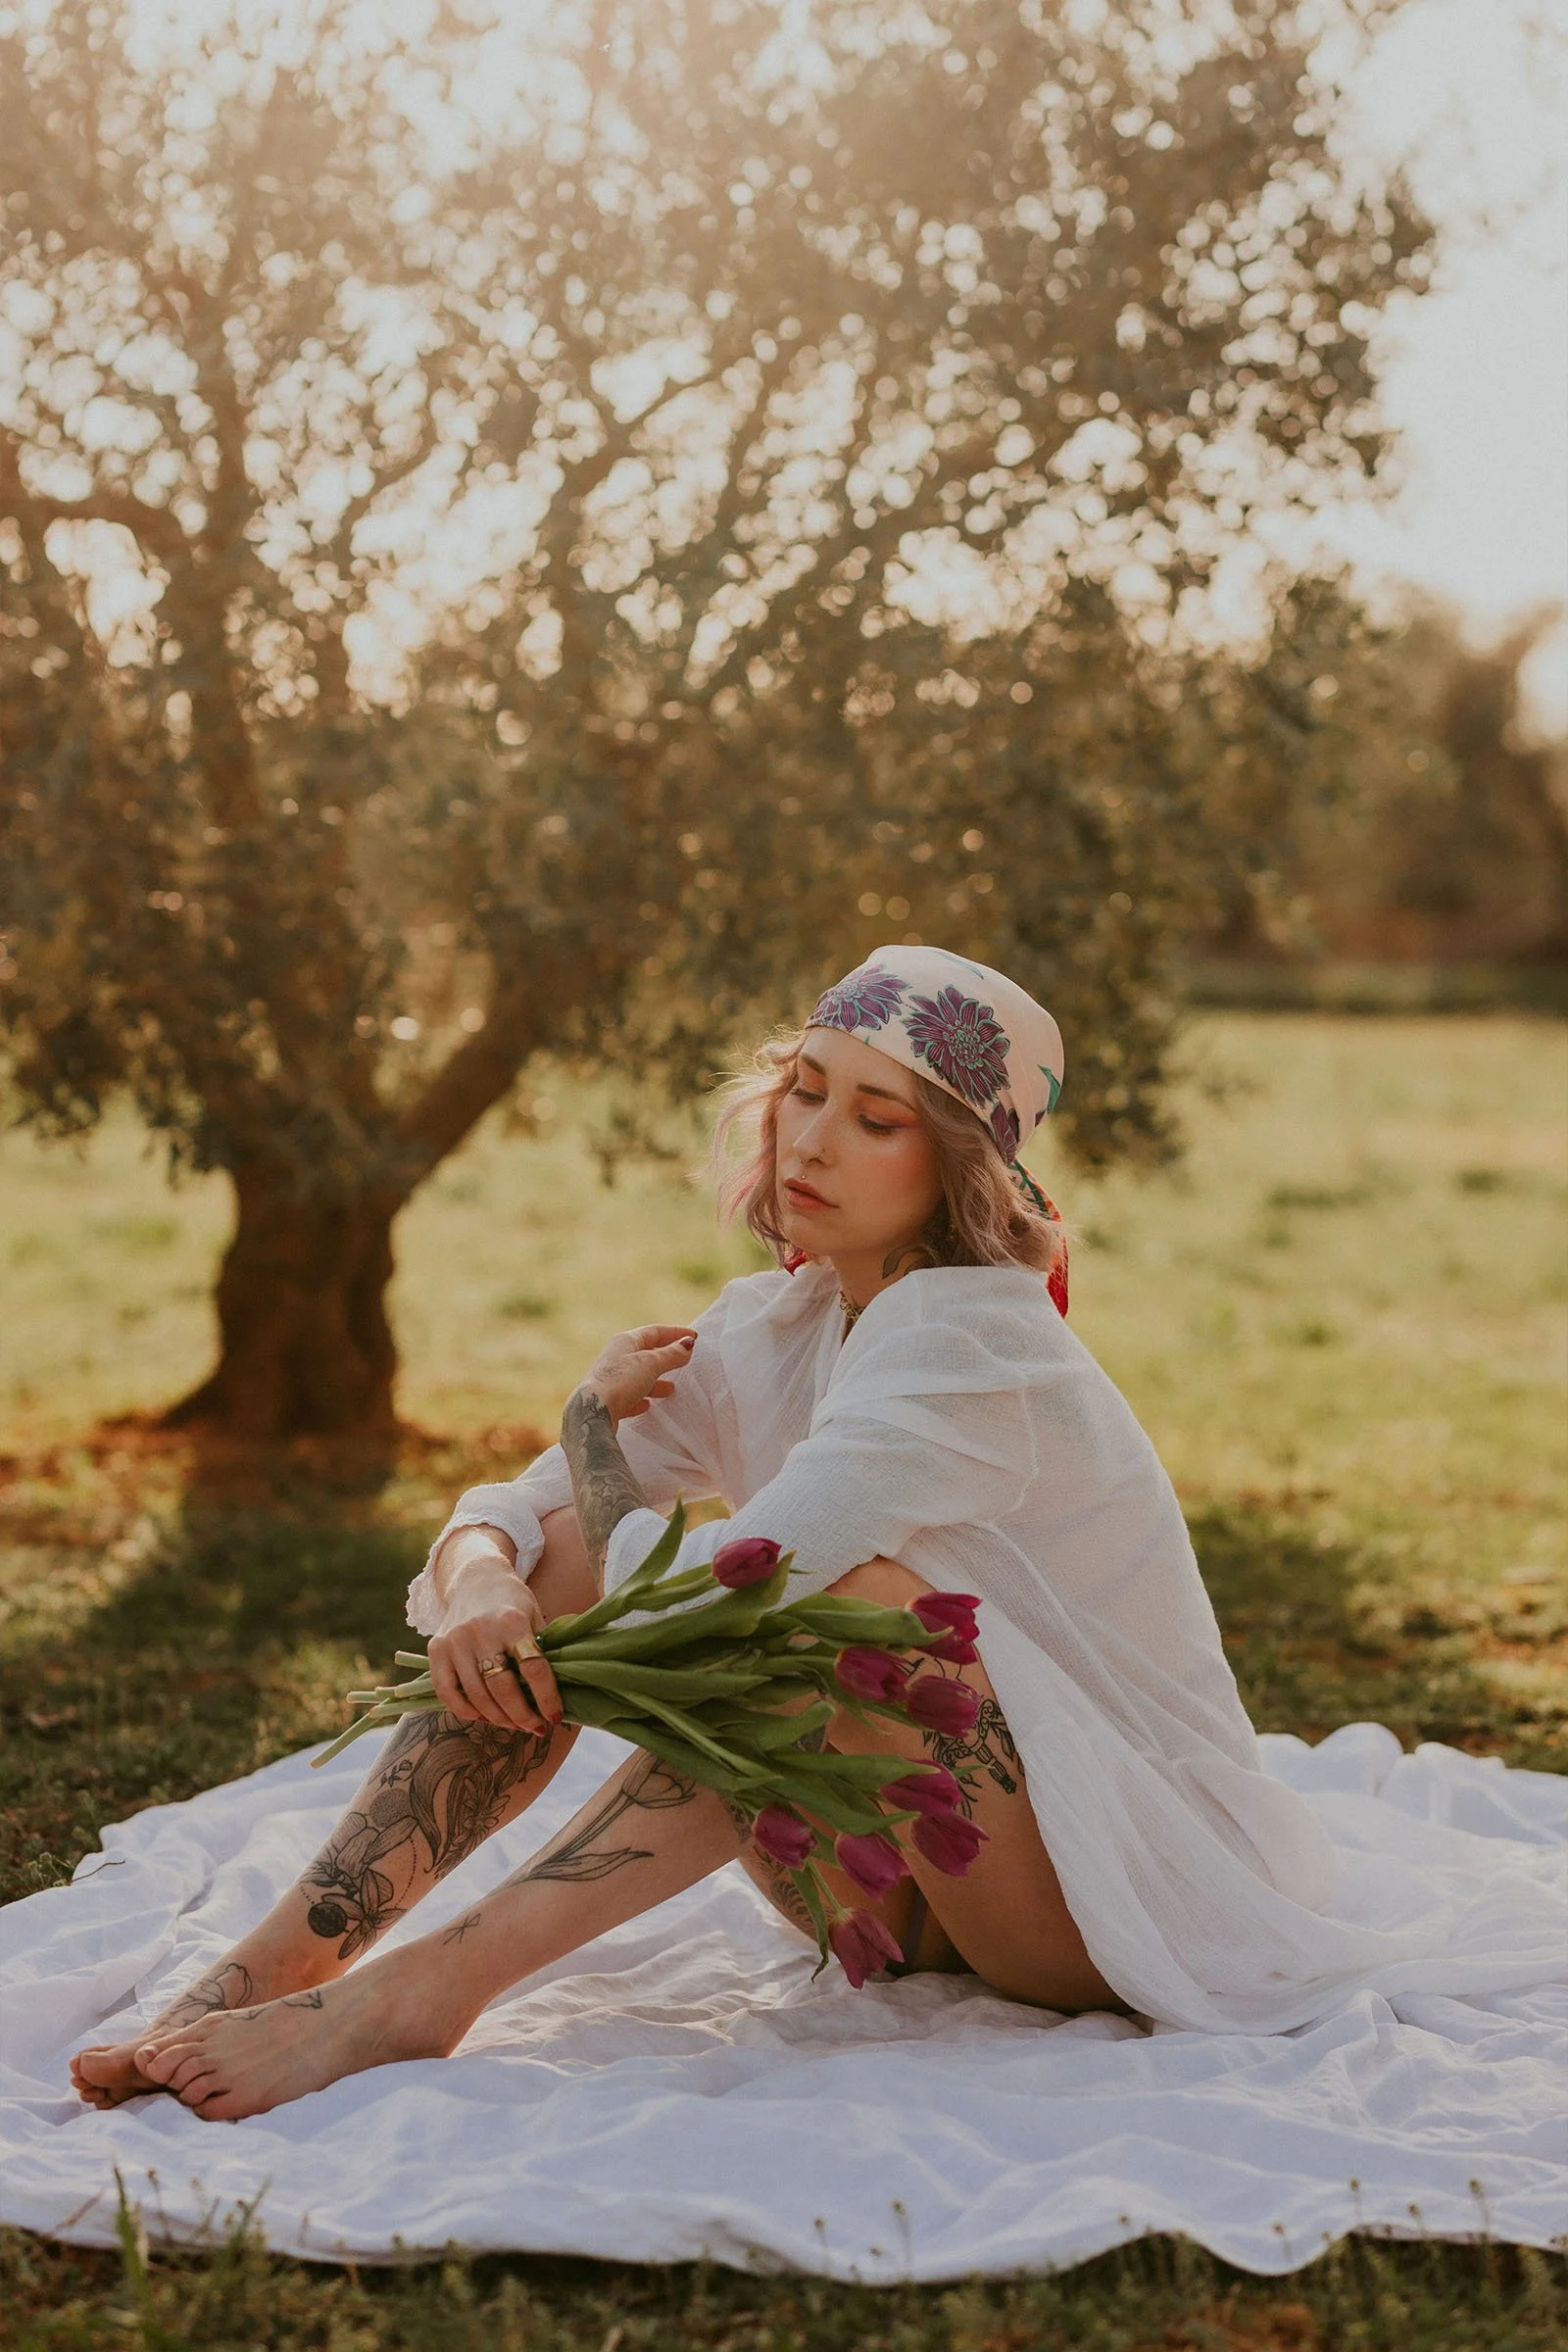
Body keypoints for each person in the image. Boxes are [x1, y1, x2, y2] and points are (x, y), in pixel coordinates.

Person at [70, 948, 1562, 2122]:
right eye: (804, 1089)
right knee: (573, 1568)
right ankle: (285, 1960)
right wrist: (476, 1576)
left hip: (1102, 1896)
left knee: (840, 1608)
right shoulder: (779, 1322)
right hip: (883, 1891)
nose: (813, 1140)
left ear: (959, 1167)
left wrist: (597, 1439)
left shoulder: (975, 1343)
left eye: (876, 1116)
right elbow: (525, 1523)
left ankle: (422, 1994)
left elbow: (740, 1601)